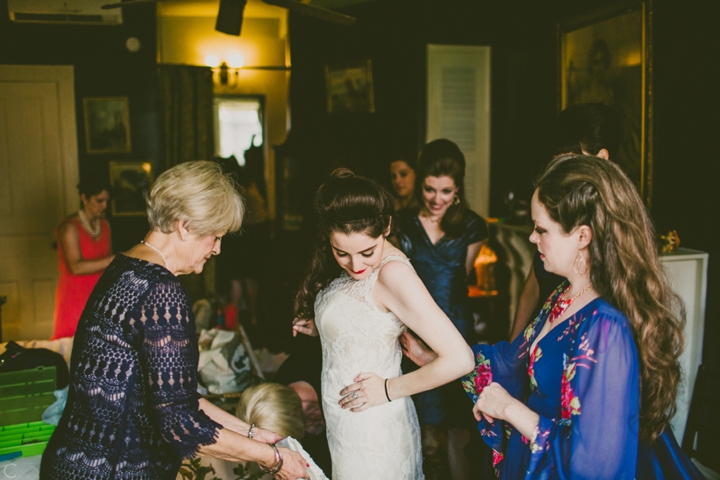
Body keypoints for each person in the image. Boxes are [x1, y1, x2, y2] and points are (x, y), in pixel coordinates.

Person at [407, 155, 702, 479]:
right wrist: (435, 357)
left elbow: (594, 464)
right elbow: (510, 362)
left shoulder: (605, 326)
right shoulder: (563, 295)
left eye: (541, 229)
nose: (533, 238)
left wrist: (510, 409)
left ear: (582, 236)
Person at [41, 161, 308, 480]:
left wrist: (249, 433)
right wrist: (273, 459)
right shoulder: (161, 291)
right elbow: (180, 424)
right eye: (216, 236)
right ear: (185, 226)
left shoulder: (125, 265)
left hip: (72, 463)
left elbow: (173, 396)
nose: (218, 249)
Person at [291, 168, 474, 480]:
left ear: (386, 226)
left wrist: (389, 389)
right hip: (346, 426)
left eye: (366, 252)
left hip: (372, 431)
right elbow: (367, 318)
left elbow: (461, 359)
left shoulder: (394, 274)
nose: (356, 265)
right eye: (341, 253)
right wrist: (324, 325)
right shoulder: (362, 265)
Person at [393, 138, 488, 480]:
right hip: (414, 330)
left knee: (459, 424)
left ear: (458, 189)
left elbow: (459, 279)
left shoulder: (473, 226)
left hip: (455, 330)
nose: (437, 199)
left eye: (446, 191)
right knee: (421, 426)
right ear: (421, 185)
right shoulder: (401, 223)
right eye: (430, 189)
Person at [509, 103, 622, 341]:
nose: (559, 172)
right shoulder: (555, 214)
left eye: (569, 161)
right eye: (556, 162)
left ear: (601, 158)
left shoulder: (616, 230)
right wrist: (514, 345)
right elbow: (532, 288)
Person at [52, 175, 115, 340]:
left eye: (107, 201)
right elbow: (76, 267)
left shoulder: (105, 225)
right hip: (75, 294)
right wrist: (113, 259)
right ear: (84, 198)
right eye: (100, 200)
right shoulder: (69, 227)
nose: (105, 206)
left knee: (100, 343)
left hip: (99, 293)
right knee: (74, 343)